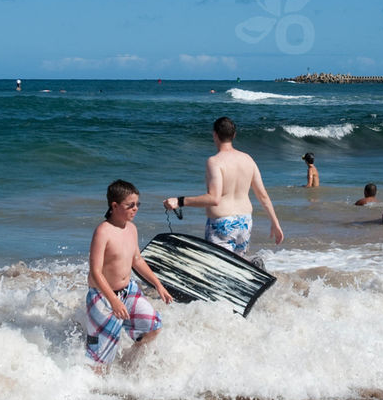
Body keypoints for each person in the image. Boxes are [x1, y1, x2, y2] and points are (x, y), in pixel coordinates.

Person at [163, 117, 284, 255]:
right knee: (237, 267)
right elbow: (262, 195)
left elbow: (214, 199)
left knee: (216, 269)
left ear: (215, 134)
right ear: (234, 135)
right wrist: (275, 223)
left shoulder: (214, 161)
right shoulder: (248, 159)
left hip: (222, 224)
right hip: (245, 222)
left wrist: (180, 201)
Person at [86, 180, 173, 371]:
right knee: (99, 359)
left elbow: (137, 260)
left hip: (129, 291)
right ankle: (97, 391)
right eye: (130, 205)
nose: (135, 209)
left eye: (137, 205)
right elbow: (95, 271)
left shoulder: (131, 228)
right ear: (114, 206)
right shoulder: (103, 232)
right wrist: (114, 301)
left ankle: (127, 363)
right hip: (103, 295)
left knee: (153, 328)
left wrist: (158, 284)